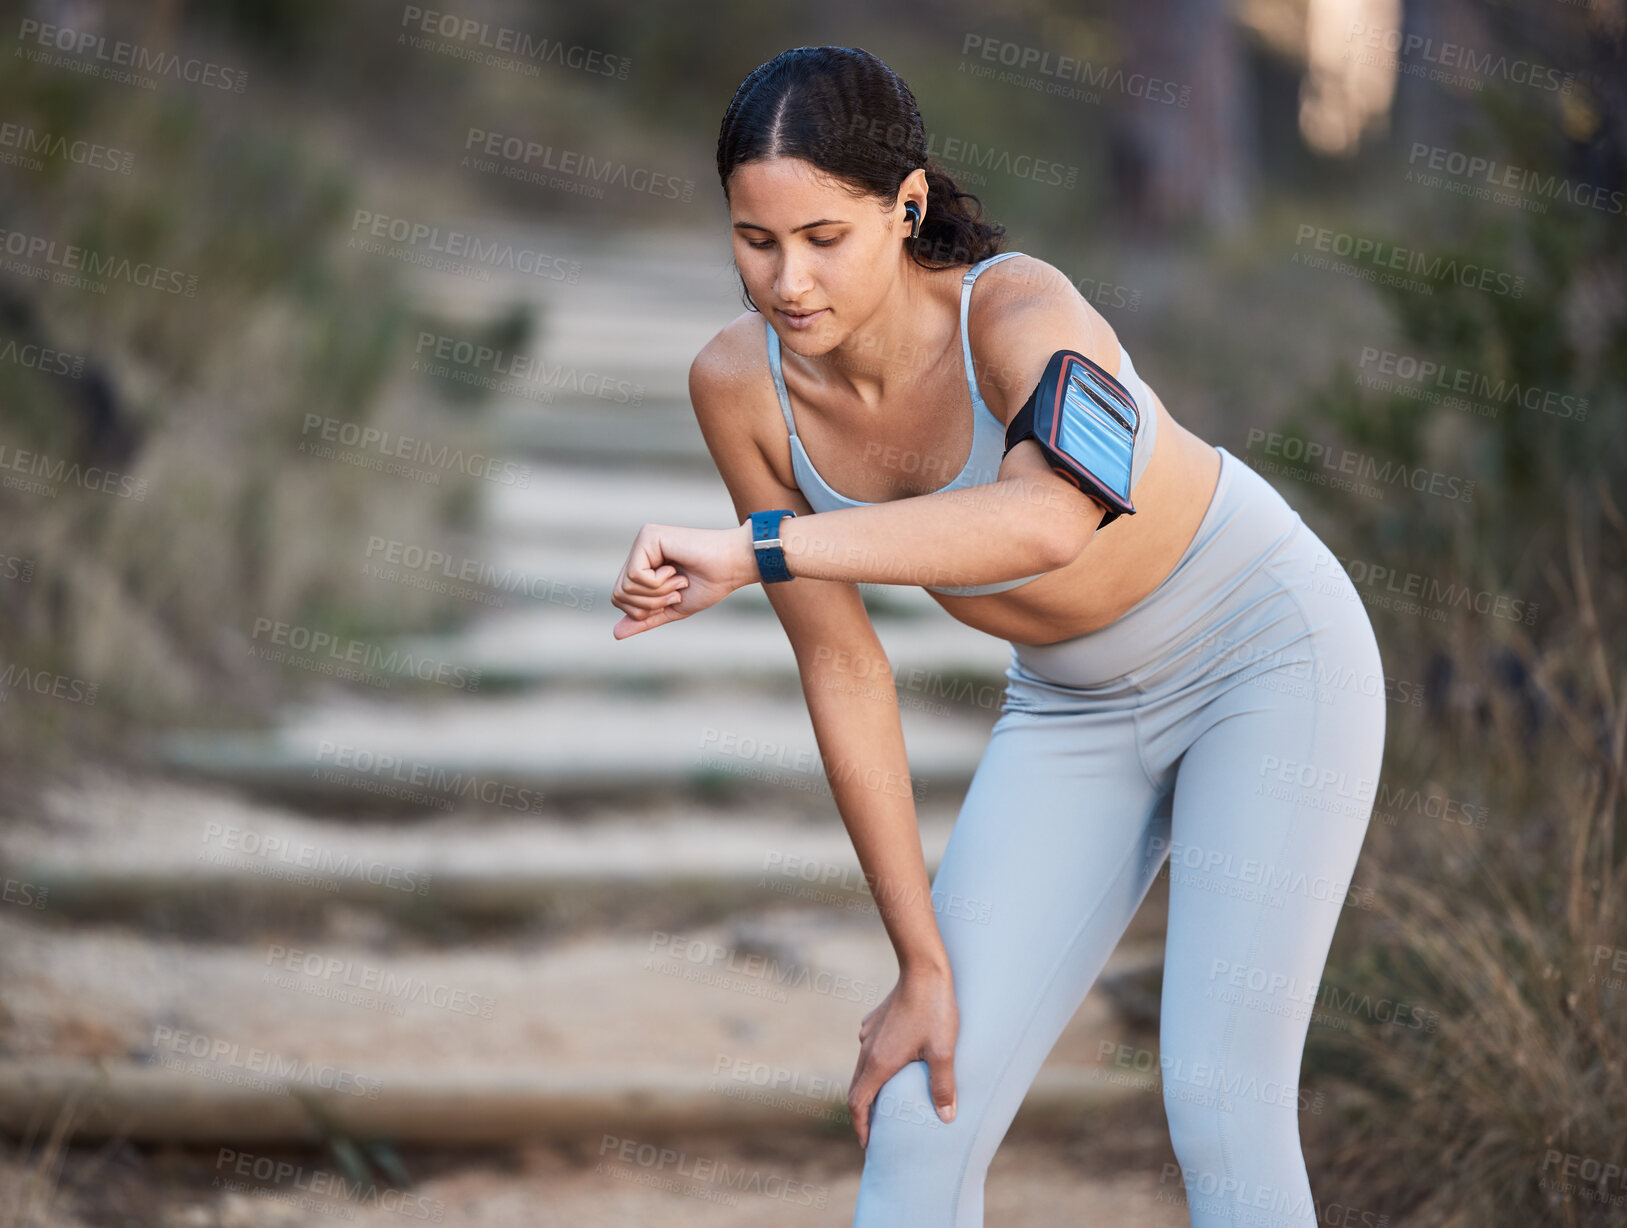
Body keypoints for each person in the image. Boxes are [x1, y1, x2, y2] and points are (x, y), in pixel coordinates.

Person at [610, 45, 1387, 1228]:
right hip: (1074, 708)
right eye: (754, 240)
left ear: (905, 206)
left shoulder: (1023, 310)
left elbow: (1048, 519)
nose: (786, 281)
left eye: (825, 237)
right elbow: (843, 663)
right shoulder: (738, 388)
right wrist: (919, 961)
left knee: (1220, 1100)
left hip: (1263, 655)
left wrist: (763, 548)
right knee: (922, 1111)